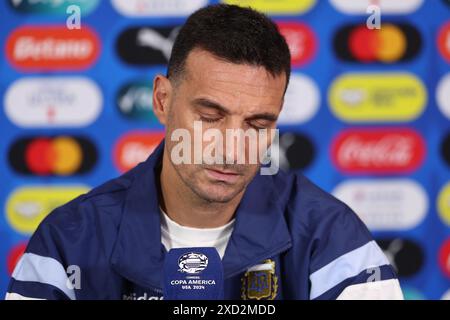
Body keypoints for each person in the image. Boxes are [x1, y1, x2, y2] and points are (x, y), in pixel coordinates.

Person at [6, 4, 403, 300]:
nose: (233, 148)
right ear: (162, 100)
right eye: (211, 117)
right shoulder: (69, 241)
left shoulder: (333, 239)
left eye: (258, 124)